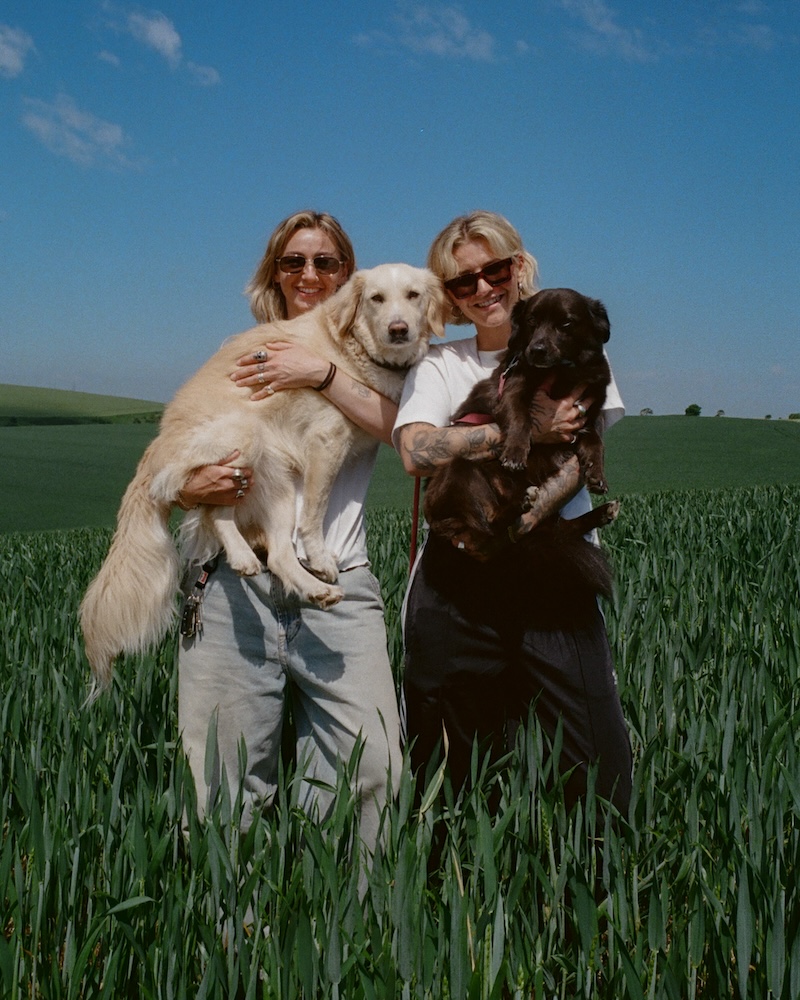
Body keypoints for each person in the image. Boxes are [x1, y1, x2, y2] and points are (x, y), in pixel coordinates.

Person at [175, 210, 402, 851]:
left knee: (375, 770)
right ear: (274, 273)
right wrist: (189, 489)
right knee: (220, 790)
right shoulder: (239, 354)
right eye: (293, 261)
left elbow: (408, 432)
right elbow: (182, 454)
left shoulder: (380, 349)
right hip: (231, 588)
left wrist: (320, 373)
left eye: (325, 262)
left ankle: (344, 938)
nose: (308, 274)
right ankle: (237, 943)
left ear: (349, 278)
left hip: (339, 583)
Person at [393, 210, 632, 811]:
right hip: (458, 581)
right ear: (448, 295)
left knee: (595, 755)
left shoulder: (576, 352)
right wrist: (520, 432)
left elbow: (583, 455)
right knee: (447, 767)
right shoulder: (440, 365)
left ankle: (598, 891)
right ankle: (447, 891)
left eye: (493, 270)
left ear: (518, 267)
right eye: (461, 282)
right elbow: (418, 451)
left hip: (553, 576)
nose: (481, 289)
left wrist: (524, 521)